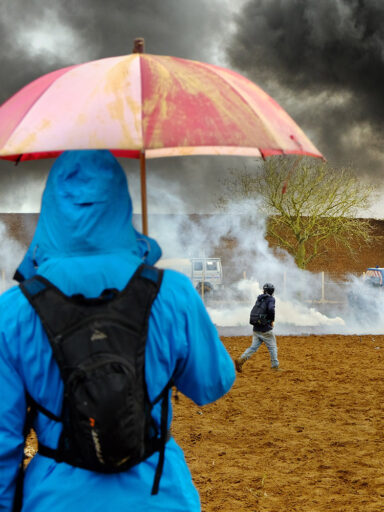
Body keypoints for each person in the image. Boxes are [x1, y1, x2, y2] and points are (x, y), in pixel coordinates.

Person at [0, 150, 236, 511]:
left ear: (50, 208)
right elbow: (212, 383)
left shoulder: (13, 310)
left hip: (56, 500)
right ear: (121, 205)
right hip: (160, 496)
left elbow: (3, 439)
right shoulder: (171, 292)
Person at [236, 283, 279, 371]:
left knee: (253, 347)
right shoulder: (271, 299)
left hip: (256, 328)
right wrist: (271, 321)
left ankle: (241, 360)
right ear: (272, 291)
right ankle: (275, 366)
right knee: (273, 347)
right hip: (266, 329)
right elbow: (271, 309)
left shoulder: (259, 299)